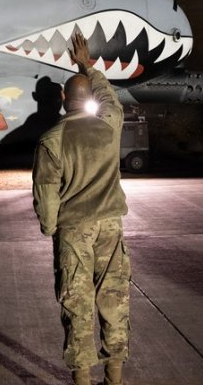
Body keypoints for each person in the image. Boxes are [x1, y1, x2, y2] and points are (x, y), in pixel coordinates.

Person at [32, 31, 130, 385]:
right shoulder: (110, 125)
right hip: (110, 226)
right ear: (89, 98)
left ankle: (83, 379)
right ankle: (115, 376)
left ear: (62, 98)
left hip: (74, 230)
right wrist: (86, 65)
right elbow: (110, 97)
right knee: (114, 298)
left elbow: (46, 195)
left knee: (77, 304)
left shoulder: (51, 141)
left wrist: (50, 228)